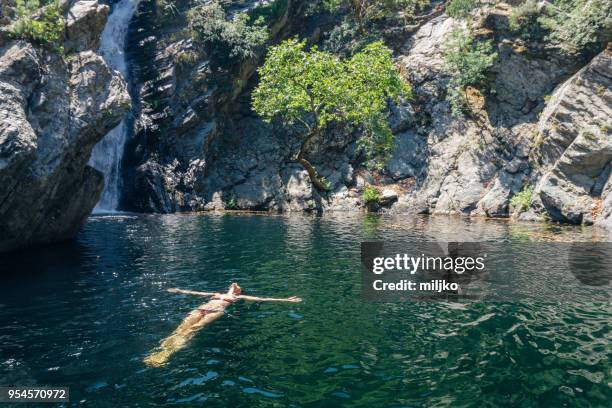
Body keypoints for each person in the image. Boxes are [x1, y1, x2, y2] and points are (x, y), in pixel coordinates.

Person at [144, 283, 302, 367]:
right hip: (202, 309)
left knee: (191, 331)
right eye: (233, 285)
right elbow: (195, 293)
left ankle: (167, 355)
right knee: (180, 329)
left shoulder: (238, 298)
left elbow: (263, 299)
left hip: (215, 312)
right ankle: (160, 351)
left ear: (239, 292)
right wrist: (178, 291)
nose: (234, 286)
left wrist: (286, 300)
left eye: (237, 287)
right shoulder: (216, 294)